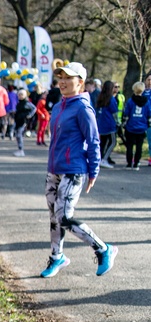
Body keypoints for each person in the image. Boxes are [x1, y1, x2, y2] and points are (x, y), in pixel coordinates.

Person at [41, 62, 117, 278]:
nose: (62, 82)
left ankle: (103, 248)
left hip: (74, 170)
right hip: (54, 169)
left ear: (80, 82)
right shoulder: (58, 106)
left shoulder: (83, 108)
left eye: (68, 78)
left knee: (64, 217)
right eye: (60, 78)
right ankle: (57, 257)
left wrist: (94, 171)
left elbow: (93, 141)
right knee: (54, 217)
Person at [122, 81, 151, 170]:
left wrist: (124, 122)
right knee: (139, 146)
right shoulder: (146, 101)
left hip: (131, 126)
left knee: (130, 146)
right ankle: (136, 163)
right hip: (142, 127)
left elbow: (126, 113)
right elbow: (149, 113)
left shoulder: (131, 101)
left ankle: (129, 163)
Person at [94, 81, 119, 168]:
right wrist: (118, 122)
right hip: (110, 124)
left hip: (101, 124)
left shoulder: (100, 98)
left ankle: (99, 158)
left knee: (103, 143)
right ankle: (104, 159)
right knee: (112, 142)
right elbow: (114, 113)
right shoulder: (111, 99)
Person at [13, 89, 37, 157]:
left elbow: (34, 109)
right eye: (19, 94)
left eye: (21, 95)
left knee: (19, 135)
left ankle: (21, 150)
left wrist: (29, 115)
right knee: (17, 135)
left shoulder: (26, 103)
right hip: (18, 120)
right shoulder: (19, 103)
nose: (20, 96)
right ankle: (19, 149)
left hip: (23, 121)